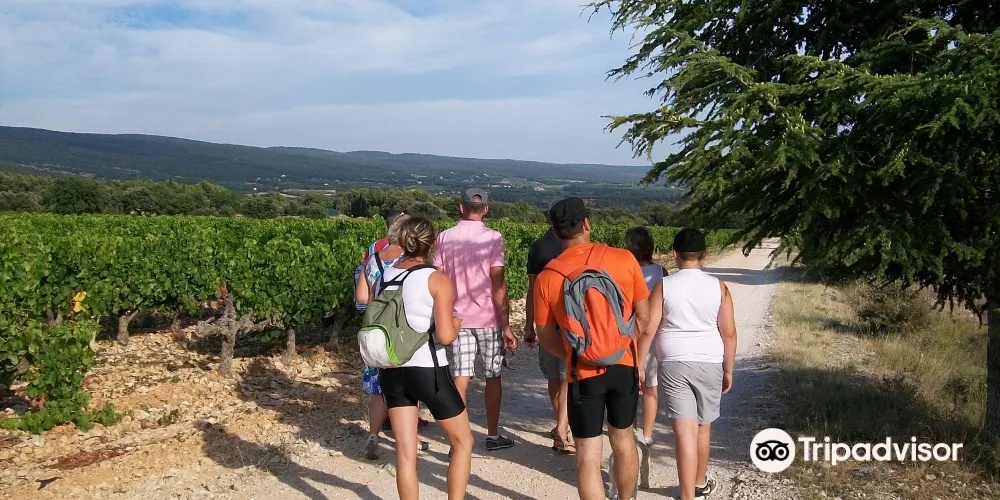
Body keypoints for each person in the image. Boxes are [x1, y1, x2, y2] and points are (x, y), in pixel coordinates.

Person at [534, 197, 651, 500]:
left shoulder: (547, 277)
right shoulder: (624, 259)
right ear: (586, 223)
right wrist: (620, 344)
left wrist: (576, 353)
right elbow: (644, 316)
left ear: (555, 232)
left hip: (582, 372)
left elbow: (544, 334)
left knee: (587, 454)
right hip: (624, 365)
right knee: (623, 440)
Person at [380, 215, 474, 500]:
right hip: (427, 369)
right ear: (433, 243)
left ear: (401, 241)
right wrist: (455, 324)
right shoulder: (436, 279)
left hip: (393, 368)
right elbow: (445, 336)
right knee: (463, 442)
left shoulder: (387, 274)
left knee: (405, 453)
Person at [639, 229, 738, 500]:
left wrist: (639, 364)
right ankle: (699, 483)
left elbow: (648, 330)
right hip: (710, 361)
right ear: (704, 254)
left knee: (684, 434)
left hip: (673, 362)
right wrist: (728, 369)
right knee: (703, 429)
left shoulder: (664, 285)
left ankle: (686, 496)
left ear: (674, 254)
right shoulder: (720, 287)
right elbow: (729, 333)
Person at [433, 188, 517, 451]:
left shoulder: (444, 237)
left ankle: (457, 438)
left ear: (461, 208)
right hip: (488, 318)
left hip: (457, 318)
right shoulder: (493, 238)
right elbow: (498, 284)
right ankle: (492, 435)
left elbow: (438, 278)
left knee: (461, 375)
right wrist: (506, 325)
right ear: (486, 209)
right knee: (493, 374)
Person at [353, 210, 428, 460]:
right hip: (401, 332)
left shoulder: (373, 260)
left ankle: (373, 435)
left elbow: (361, 298)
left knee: (378, 390)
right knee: (407, 389)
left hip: (375, 331)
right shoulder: (409, 262)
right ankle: (410, 438)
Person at [524, 205, 573, 454]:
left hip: (547, 321)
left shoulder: (538, 247)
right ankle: (564, 427)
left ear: (548, 220)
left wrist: (529, 325)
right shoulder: (578, 248)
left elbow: (533, 290)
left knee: (554, 376)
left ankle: (560, 424)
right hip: (573, 321)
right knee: (568, 377)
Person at [623, 226, 669, 447]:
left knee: (628, 384)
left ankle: (629, 428)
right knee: (651, 385)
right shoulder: (661, 272)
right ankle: (647, 434)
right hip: (653, 335)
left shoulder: (624, 270)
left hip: (628, 332)